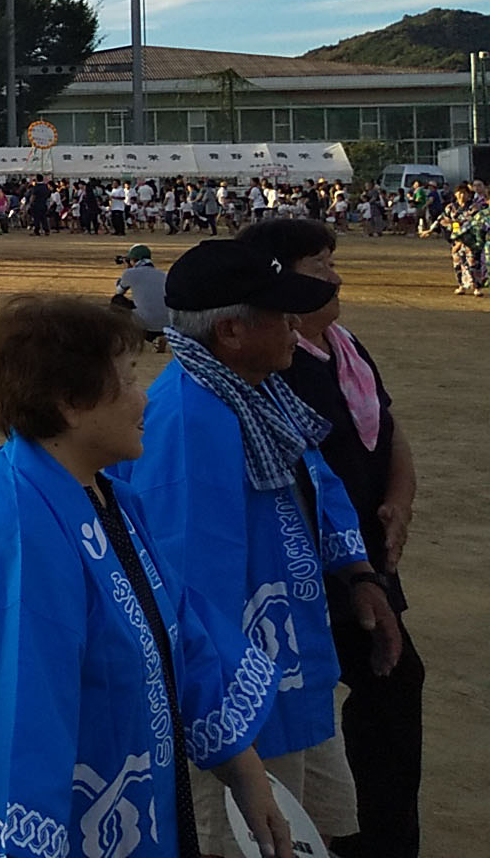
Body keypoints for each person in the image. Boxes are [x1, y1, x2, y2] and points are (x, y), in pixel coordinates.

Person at [0, 295, 294, 858]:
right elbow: (16, 738)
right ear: (70, 403)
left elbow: (180, 631)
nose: (144, 399)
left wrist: (243, 768)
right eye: (129, 379)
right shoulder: (13, 542)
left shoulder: (105, 496)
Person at [121, 241, 402, 854]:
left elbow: (319, 487)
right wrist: (228, 735)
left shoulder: (259, 393)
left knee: (313, 832)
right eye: (281, 315)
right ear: (232, 330)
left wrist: (358, 574)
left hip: (292, 670)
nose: (296, 327)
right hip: (237, 704)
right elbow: (191, 587)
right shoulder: (190, 419)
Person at [237, 219, 424, 856]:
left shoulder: (345, 346)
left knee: (394, 690)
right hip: (304, 575)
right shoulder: (275, 365)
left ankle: (382, 835)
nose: (337, 277)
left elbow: (389, 430)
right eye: (320, 266)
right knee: (318, 710)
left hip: (365, 563)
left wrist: (398, 498)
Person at [114, 242, 171, 351]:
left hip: (145, 324)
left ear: (133, 259)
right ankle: (158, 339)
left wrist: (127, 270)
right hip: (166, 323)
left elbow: (119, 291)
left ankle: (125, 340)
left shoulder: (130, 273)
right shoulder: (163, 274)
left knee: (117, 301)